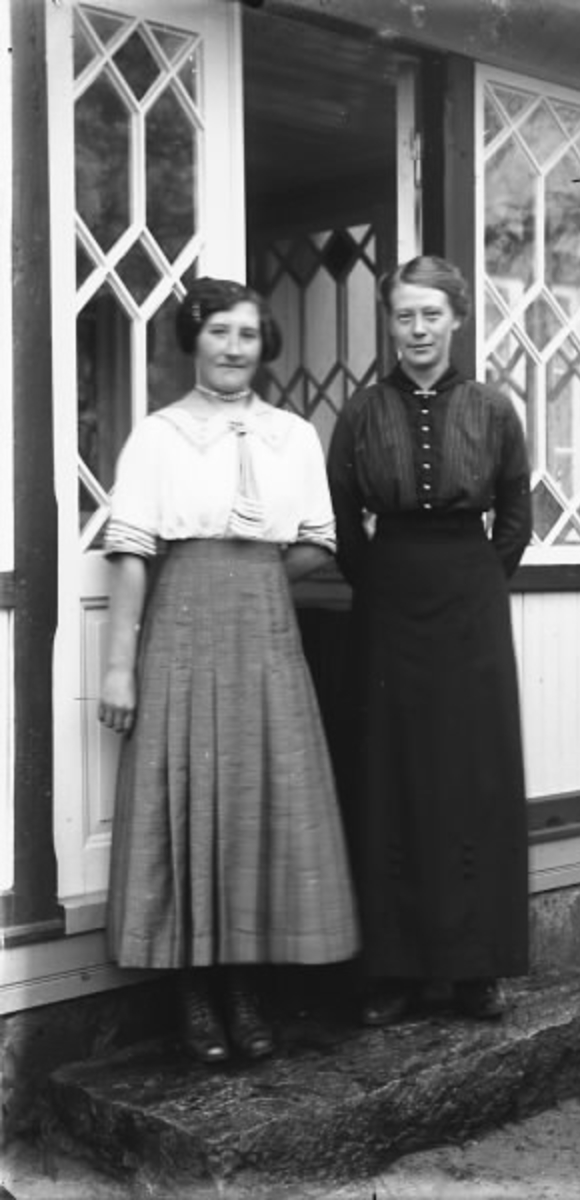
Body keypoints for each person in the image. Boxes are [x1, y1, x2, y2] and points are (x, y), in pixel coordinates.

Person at [98, 276, 358, 1065]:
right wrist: (119, 668)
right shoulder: (158, 436)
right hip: (181, 624)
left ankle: (245, 992)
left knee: (252, 800)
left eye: (246, 334)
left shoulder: (293, 437)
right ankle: (194, 997)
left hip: (265, 632)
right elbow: (131, 555)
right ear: (194, 340)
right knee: (189, 796)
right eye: (218, 332)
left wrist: (255, 579)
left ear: (263, 346)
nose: (233, 348)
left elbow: (317, 541)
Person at [327, 255, 531, 1026]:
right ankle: (396, 971)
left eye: (431, 315)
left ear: (457, 320)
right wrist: (381, 582)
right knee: (392, 772)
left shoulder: (493, 409)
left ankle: (475, 969)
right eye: (405, 315)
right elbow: (343, 519)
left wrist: (476, 583)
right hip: (389, 600)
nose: (417, 330)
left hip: (471, 600)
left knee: (472, 773)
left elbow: (515, 516)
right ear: (391, 322)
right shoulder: (362, 411)